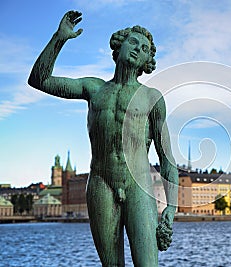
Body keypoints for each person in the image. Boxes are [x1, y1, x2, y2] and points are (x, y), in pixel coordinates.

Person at [28, 10, 178, 266]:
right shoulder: (93, 89)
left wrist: (171, 209)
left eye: (143, 48)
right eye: (132, 42)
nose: (136, 49)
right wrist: (59, 38)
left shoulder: (153, 99)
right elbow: (39, 80)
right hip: (100, 185)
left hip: (139, 187)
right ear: (119, 46)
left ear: (146, 61)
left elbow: (167, 160)